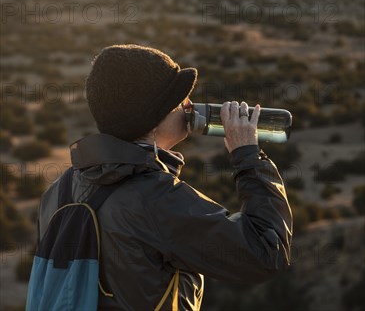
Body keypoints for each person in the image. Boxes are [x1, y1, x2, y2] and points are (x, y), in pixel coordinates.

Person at [37, 44, 292, 310]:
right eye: (179, 99)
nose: (189, 105)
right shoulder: (154, 198)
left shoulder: (59, 190)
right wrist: (248, 156)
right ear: (153, 117)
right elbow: (265, 253)